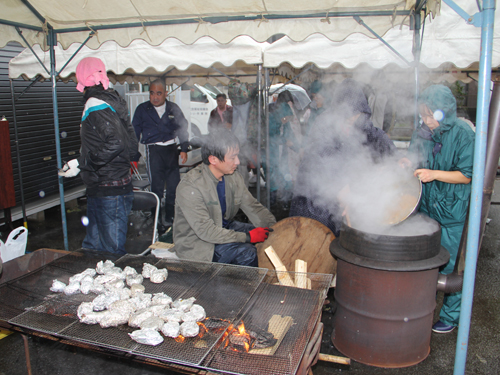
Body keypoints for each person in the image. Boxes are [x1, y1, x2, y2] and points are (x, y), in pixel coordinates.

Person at [400, 84, 475, 334]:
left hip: (453, 210)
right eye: (423, 114)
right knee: (428, 258)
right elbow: (414, 156)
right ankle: (424, 304)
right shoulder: (422, 131)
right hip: (428, 207)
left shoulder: (464, 133)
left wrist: (434, 174)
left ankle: (451, 317)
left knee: (454, 265)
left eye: (431, 115)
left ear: (446, 112)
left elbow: (466, 175)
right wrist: (407, 161)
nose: (427, 120)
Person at [289, 78, 396, 237]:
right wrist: (342, 187)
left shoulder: (360, 121)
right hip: (314, 198)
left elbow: (375, 135)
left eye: (356, 115)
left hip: (341, 197)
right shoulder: (323, 124)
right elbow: (322, 163)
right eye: (347, 115)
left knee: (340, 241)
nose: (352, 120)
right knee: (316, 240)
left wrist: (395, 155)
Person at [58, 57, 139, 255]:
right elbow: (127, 142)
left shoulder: (95, 103)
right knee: (94, 248)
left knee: (109, 252)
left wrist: (80, 162)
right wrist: (83, 165)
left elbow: (116, 143)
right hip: (105, 186)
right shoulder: (109, 100)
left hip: (109, 188)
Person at [173, 130, 276, 266]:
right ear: (213, 159)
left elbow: (252, 207)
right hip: (198, 244)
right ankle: (241, 287)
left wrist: (276, 228)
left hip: (222, 228)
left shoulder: (233, 178)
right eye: (233, 158)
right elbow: (206, 231)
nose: (238, 162)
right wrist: (248, 237)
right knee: (247, 252)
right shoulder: (190, 186)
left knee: (265, 234)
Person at [132, 79, 189, 232]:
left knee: (173, 187)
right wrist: (133, 156)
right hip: (153, 152)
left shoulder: (173, 108)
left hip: (171, 150)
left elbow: (183, 128)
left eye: (158, 93)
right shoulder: (142, 110)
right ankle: (155, 219)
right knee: (156, 188)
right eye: (152, 93)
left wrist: (184, 148)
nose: (155, 97)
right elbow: (134, 133)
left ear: (165, 93)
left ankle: (170, 219)